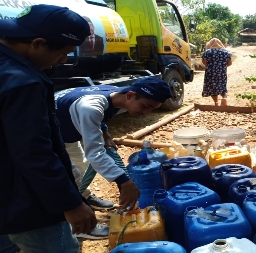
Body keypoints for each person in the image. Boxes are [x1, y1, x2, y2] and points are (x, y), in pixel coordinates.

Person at [0, 4, 96, 253]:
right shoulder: (23, 82)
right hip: (23, 198)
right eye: (63, 53)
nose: (62, 61)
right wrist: (71, 203)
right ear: (38, 43)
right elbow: (34, 151)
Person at [54, 77, 172, 238]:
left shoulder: (116, 95)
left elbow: (101, 116)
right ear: (130, 95)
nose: (146, 113)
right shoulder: (91, 107)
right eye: (146, 106)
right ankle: (80, 225)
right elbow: (95, 153)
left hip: (64, 130)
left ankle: (85, 196)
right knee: (67, 176)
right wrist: (124, 182)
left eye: (152, 109)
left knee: (81, 165)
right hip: (43, 135)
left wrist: (104, 132)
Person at [202, 38, 232, 106]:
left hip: (210, 73)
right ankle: (224, 98)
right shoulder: (226, 52)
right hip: (222, 73)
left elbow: (204, 62)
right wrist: (222, 67)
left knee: (212, 88)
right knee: (222, 86)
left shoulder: (207, 52)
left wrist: (211, 66)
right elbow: (230, 63)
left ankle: (216, 103)